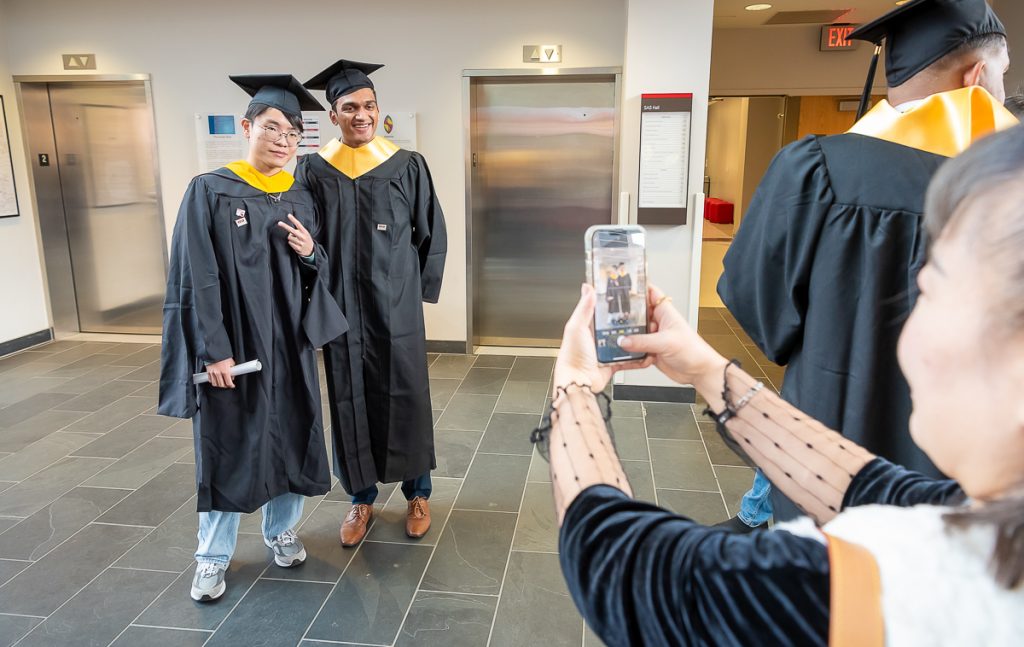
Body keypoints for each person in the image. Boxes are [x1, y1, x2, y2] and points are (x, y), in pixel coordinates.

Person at [541, 124, 1024, 646]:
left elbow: (627, 569)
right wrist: (706, 370)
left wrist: (575, 389)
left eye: (928, 290)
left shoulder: (906, 586)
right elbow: (871, 488)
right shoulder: (986, 523)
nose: (907, 328)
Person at [718, 0, 1018, 530]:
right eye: (1002, 73)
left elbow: (757, 312)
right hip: (980, 494)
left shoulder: (818, 170)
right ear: (976, 75)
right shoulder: (1005, 188)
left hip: (823, 468)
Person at [158, 74, 348, 602]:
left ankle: (281, 532)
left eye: (292, 131)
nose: (283, 139)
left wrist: (312, 251)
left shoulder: (300, 196)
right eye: (271, 128)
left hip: (289, 344)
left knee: (292, 435)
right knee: (230, 445)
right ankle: (212, 557)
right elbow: (195, 275)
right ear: (247, 128)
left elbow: (320, 270)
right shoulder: (210, 190)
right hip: (236, 347)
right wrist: (212, 348)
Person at [297, 60, 447, 547]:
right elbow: (307, 239)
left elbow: (431, 235)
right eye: (349, 108)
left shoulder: (406, 164)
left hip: (395, 306)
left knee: (405, 394)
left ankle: (417, 493)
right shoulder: (315, 169)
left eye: (368, 106)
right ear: (333, 114)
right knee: (349, 397)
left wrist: (414, 291)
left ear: (379, 112)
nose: (360, 115)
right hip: (342, 305)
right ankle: (360, 497)